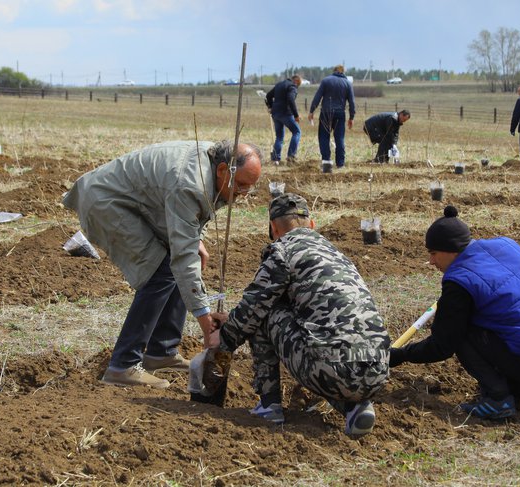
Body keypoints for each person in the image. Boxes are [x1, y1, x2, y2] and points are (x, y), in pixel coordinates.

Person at [63, 140, 263, 388]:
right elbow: (183, 256)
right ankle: (122, 366)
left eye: (249, 188)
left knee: (175, 262)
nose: (243, 195)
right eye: (241, 186)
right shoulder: (192, 183)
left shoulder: (214, 164)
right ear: (223, 170)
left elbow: (186, 220)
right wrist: (208, 326)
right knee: (160, 270)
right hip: (105, 202)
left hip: (137, 203)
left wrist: (193, 239)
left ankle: (161, 352)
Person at [210, 193, 390, 437]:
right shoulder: (336, 254)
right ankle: (353, 407)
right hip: (377, 368)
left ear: (274, 228)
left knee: (267, 312)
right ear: (312, 224)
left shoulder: (282, 251)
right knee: (326, 340)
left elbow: (255, 307)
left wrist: (224, 339)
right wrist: (232, 319)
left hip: (332, 368)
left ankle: (269, 406)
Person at [390, 205, 520, 423]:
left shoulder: (459, 280)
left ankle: (498, 399)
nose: (431, 261)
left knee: (461, 331)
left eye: (433, 254)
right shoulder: (507, 244)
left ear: (452, 249)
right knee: (496, 328)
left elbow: (442, 346)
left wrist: (402, 355)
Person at [308, 65, 356, 169]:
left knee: (324, 137)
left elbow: (317, 97)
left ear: (334, 71)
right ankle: (340, 164)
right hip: (340, 113)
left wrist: (312, 111)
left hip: (326, 112)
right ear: (343, 72)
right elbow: (352, 102)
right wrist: (351, 117)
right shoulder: (348, 83)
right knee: (339, 138)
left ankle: (326, 162)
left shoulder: (326, 81)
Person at [266, 75, 302, 165]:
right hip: (286, 113)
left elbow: (268, 95)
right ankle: (291, 157)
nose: (297, 87)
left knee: (279, 137)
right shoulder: (292, 87)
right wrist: (296, 115)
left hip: (275, 114)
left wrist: (270, 107)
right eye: (298, 85)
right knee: (297, 132)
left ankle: (275, 159)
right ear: (296, 81)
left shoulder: (279, 85)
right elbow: (291, 99)